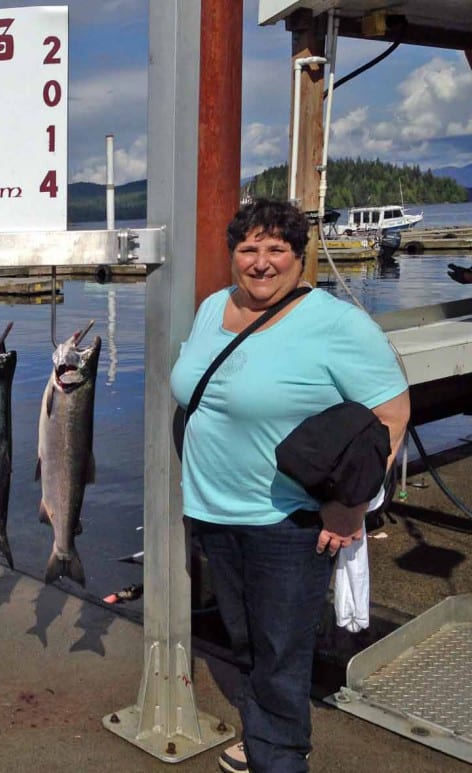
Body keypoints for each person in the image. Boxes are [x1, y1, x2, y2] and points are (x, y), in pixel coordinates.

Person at [171, 199, 410, 773]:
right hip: (211, 510)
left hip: (288, 522)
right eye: (248, 248)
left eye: (276, 249)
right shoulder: (212, 308)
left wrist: (349, 507)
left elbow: (392, 414)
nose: (261, 262)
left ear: (299, 257)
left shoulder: (336, 323)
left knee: (280, 650)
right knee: (249, 640)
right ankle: (265, 732)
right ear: (232, 255)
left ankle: (279, 756)